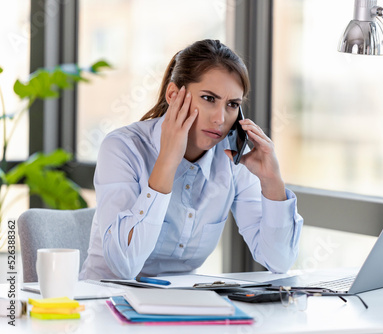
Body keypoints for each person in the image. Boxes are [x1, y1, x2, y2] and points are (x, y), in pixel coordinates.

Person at [80, 39, 303, 280]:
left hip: (182, 308)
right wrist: (167, 160)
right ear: (174, 95)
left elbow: (279, 261)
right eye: (209, 98)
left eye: (232, 105)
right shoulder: (123, 148)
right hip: (106, 303)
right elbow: (124, 266)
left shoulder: (232, 161)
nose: (220, 118)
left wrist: (272, 181)